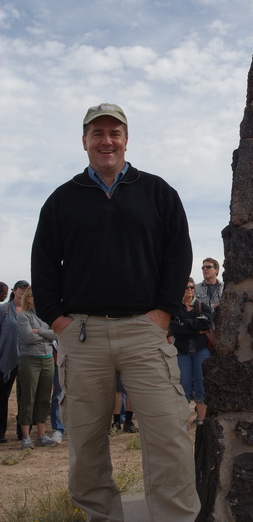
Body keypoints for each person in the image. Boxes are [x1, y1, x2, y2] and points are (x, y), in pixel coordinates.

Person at [31, 102, 200, 522]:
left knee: (169, 440)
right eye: (97, 133)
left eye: (114, 133)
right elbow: (43, 266)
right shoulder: (61, 200)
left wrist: (162, 314)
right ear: (84, 141)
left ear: (126, 139)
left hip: (146, 332)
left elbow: (178, 256)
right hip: (82, 336)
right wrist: (59, 322)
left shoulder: (159, 192)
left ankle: (175, 518)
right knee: (86, 446)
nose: (106, 141)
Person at [17, 286, 57, 449]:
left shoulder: (46, 316)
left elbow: (55, 334)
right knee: (28, 397)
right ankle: (26, 437)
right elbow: (27, 337)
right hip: (30, 360)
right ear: (28, 299)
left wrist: (39, 331)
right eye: (35, 296)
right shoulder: (23, 316)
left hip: (47, 359)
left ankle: (42, 435)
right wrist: (46, 335)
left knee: (44, 397)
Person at [170, 278, 213, 425]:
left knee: (202, 383)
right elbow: (175, 329)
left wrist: (185, 323)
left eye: (191, 287)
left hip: (201, 350)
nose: (189, 290)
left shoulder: (202, 306)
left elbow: (207, 323)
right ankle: (183, 421)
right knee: (183, 385)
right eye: (186, 287)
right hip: (182, 352)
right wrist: (196, 328)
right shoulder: (175, 309)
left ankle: (202, 420)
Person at [0, 280, 28, 443]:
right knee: (3, 396)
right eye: (21, 288)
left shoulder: (31, 312)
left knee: (25, 397)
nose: (24, 292)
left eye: (26, 289)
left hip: (27, 359)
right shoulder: (3, 310)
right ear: (14, 290)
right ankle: (1, 432)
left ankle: (22, 433)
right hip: (6, 358)